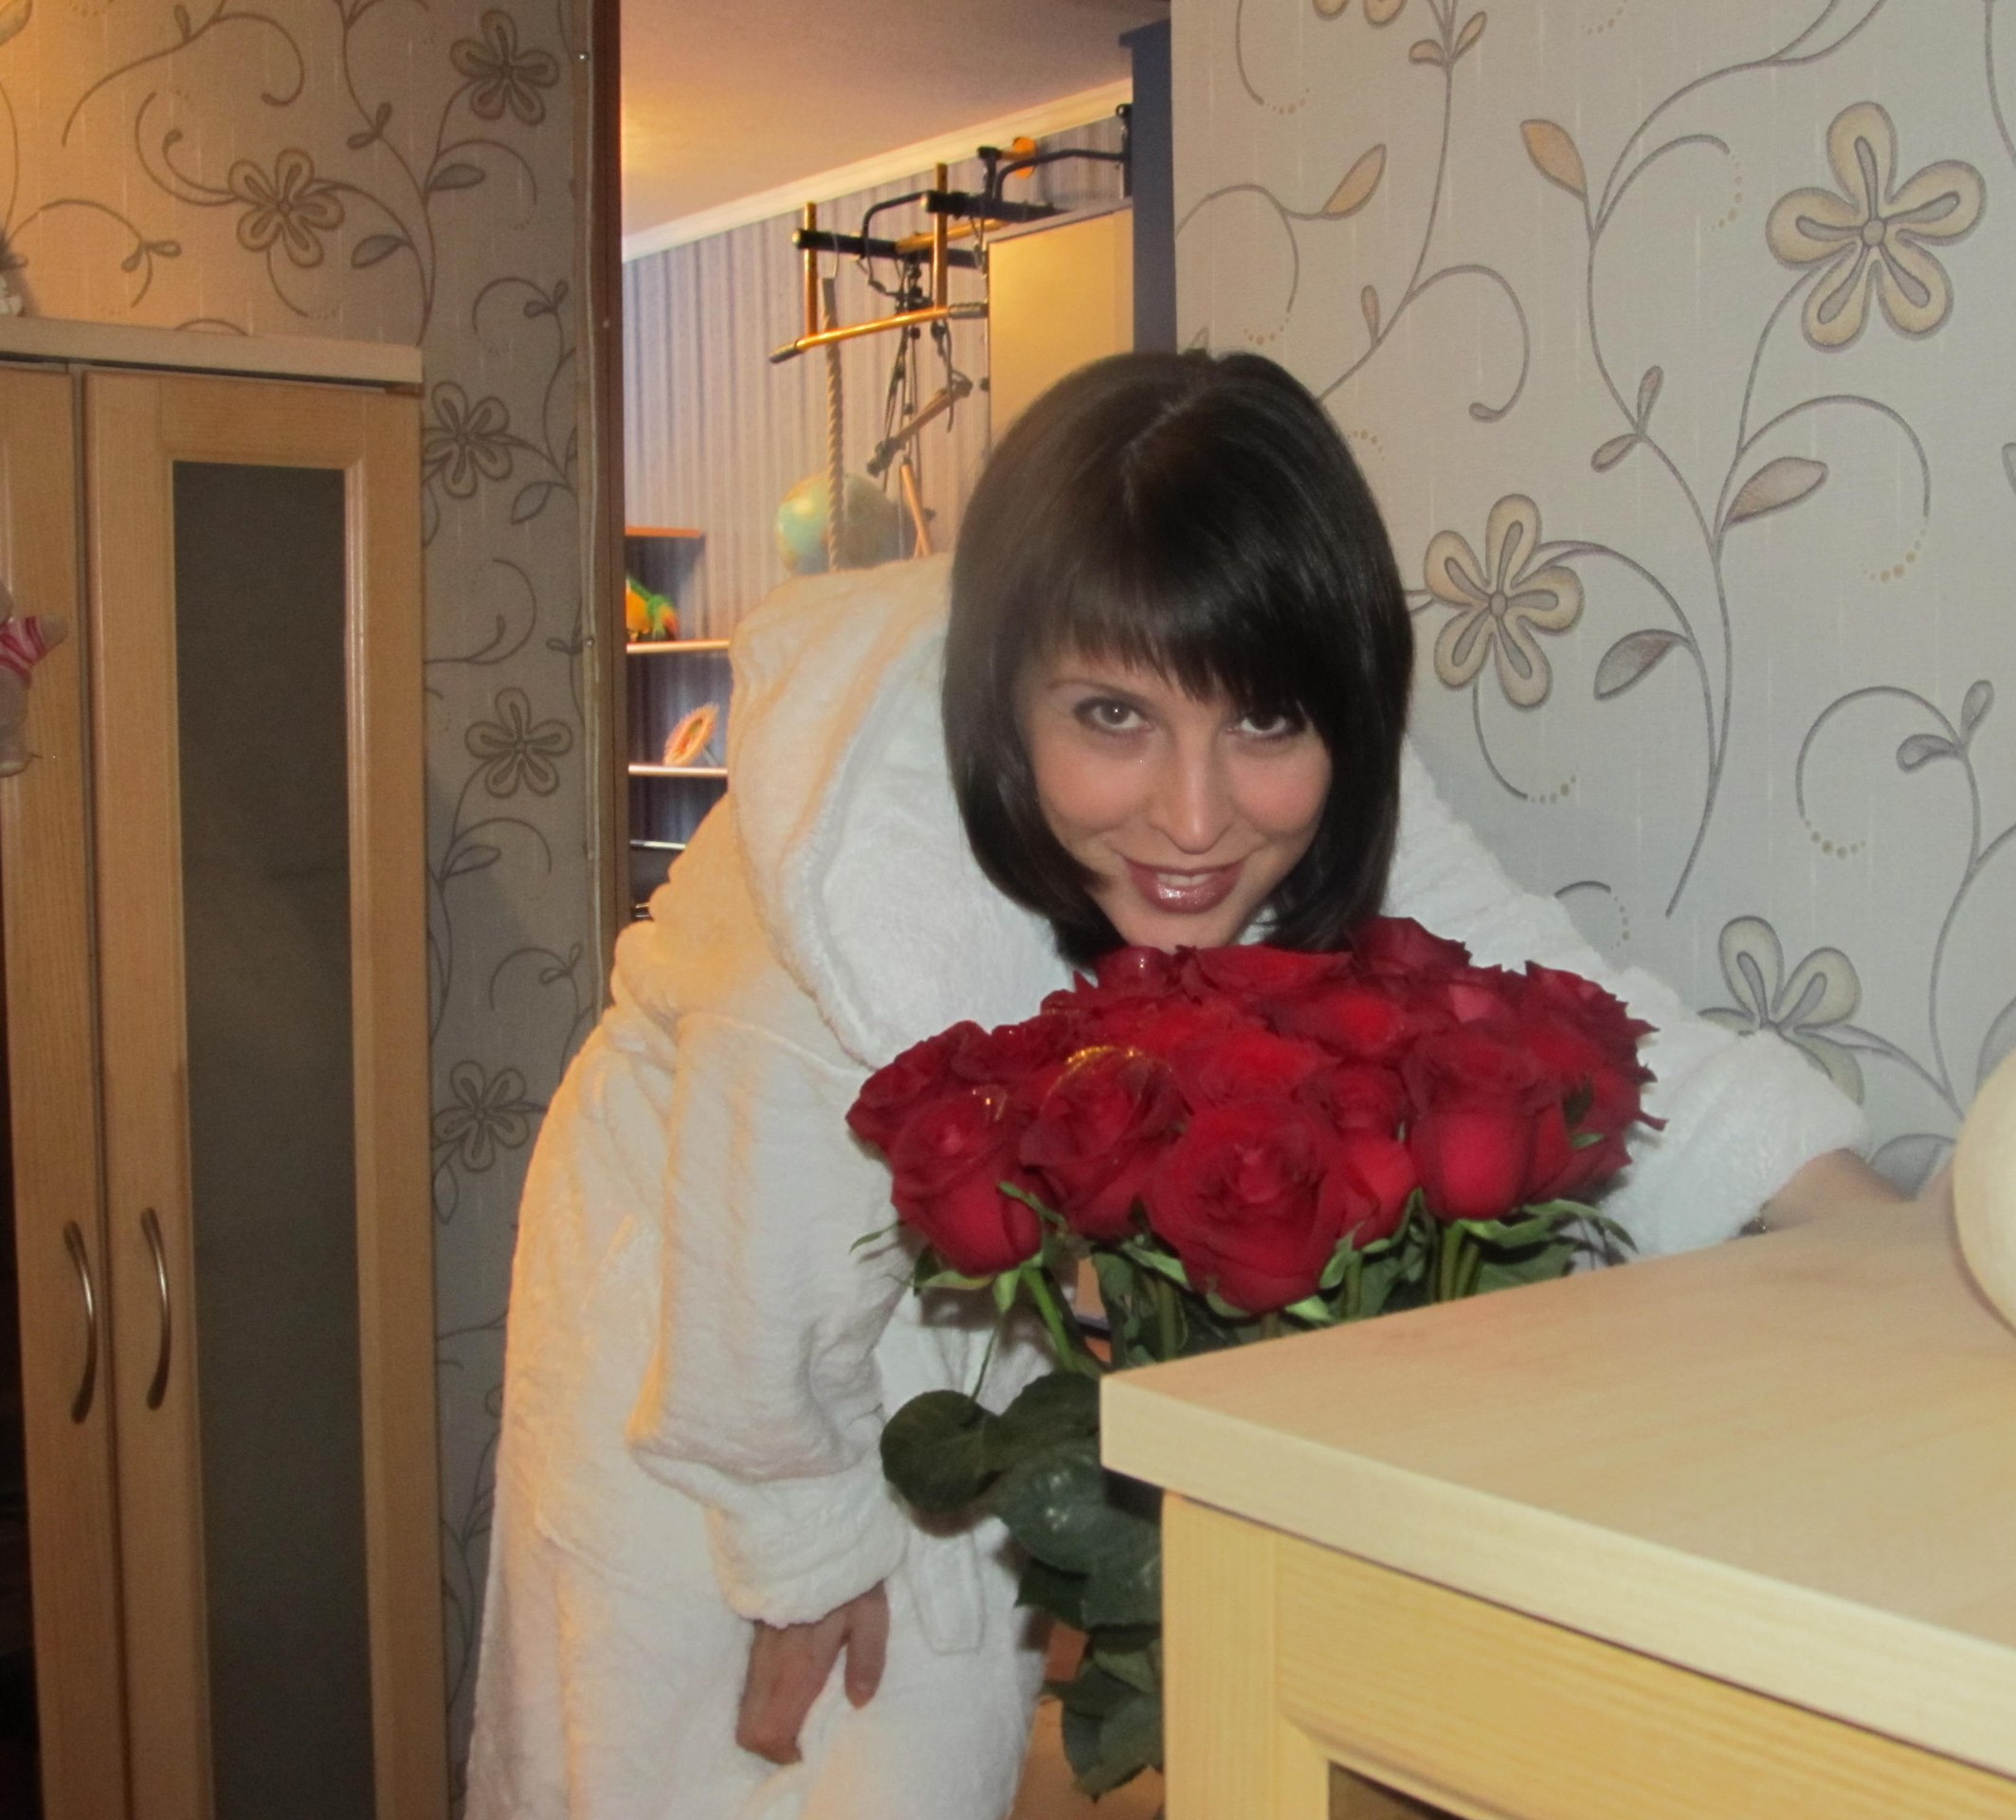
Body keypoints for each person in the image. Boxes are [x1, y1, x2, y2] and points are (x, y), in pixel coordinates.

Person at [464, 351, 1890, 1820]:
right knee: (692, 1760)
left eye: (1262, 723)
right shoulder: (866, 862)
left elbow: (1530, 983)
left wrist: (1873, 1233)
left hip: (920, 1318)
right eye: (1112, 718)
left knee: (926, 1754)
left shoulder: (1295, 746)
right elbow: (758, 1220)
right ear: (1004, 696)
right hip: (697, 1309)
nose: (1197, 819)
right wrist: (799, 1543)